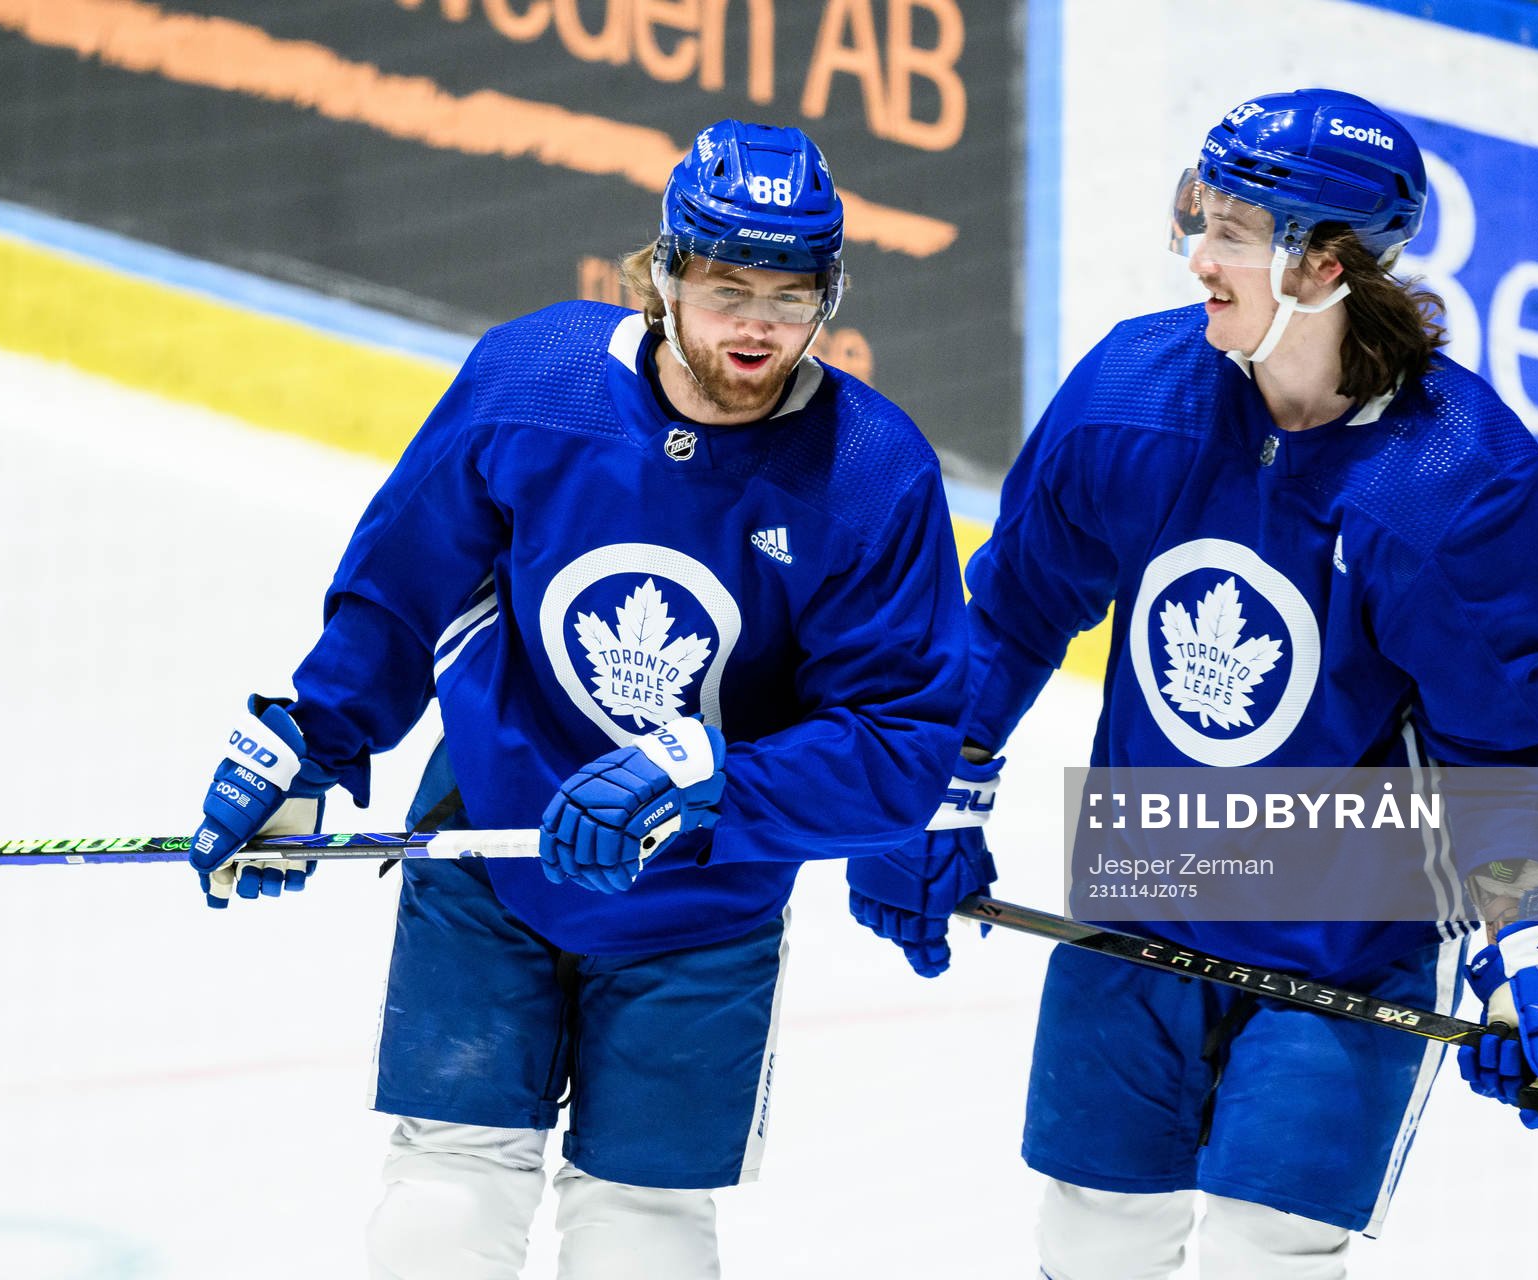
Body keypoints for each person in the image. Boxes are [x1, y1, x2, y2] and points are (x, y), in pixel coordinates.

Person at [186, 119, 969, 1280]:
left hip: (702, 903)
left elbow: (898, 749)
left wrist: (707, 776)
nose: (756, 325)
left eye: (790, 294)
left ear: (829, 298)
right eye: (725, 285)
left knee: (641, 1236)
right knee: (443, 1201)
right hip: (494, 839)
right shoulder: (536, 382)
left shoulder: (870, 474)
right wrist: (312, 735)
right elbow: (407, 583)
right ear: (661, 275)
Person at [846, 89, 1538, 1279]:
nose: (1199, 256)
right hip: (1140, 900)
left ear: (1327, 263)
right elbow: (1014, 609)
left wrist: (1528, 940)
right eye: (1199, 217)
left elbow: (1496, 753)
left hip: (1339, 943)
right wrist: (940, 783)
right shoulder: (1134, 397)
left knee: (1267, 1255)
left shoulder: (1458, 483)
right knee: (1093, 1239)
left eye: (1235, 230)